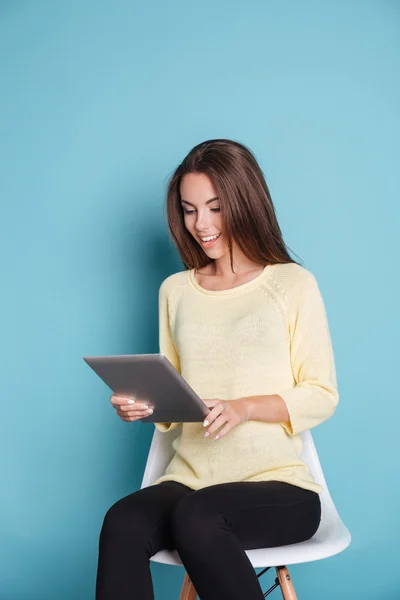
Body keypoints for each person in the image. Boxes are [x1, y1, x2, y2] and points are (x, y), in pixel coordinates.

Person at [95, 139, 339, 600]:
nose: (200, 225)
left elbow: (321, 393)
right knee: (122, 522)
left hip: (278, 484)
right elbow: (174, 402)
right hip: (190, 478)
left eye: (215, 207)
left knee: (200, 517)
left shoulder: (291, 284)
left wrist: (245, 407)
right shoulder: (176, 291)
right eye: (189, 210)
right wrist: (143, 405)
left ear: (245, 202)